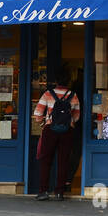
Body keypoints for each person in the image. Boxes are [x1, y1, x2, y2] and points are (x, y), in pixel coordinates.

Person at [33, 70, 81, 201]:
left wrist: (45, 122)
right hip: (67, 131)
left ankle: (43, 191)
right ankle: (59, 192)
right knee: (63, 161)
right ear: (68, 81)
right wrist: (68, 122)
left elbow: (37, 114)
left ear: (56, 81)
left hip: (50, 129)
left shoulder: (48, 94)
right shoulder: (74, 95)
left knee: (46, 160)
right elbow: (76, 116)